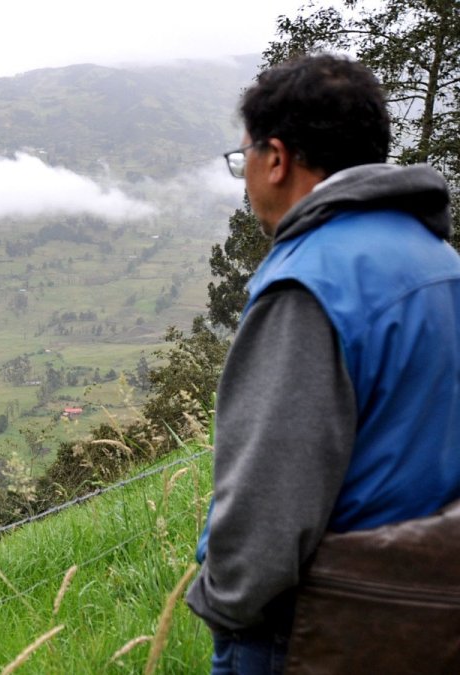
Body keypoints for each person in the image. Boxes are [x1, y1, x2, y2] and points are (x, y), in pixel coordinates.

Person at [184, 54, 460, 673]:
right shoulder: (441, 262)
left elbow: (269, 499)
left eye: (243, 158)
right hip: (427, 608)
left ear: (275, 158)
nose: (246, 175)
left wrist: (225, 608)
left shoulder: (309, 284)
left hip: (313, 624)